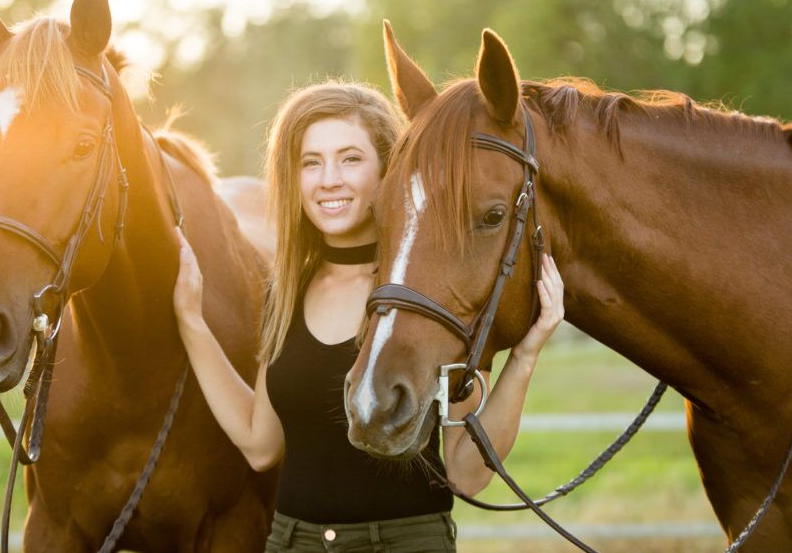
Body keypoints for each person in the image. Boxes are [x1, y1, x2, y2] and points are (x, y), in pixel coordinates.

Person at [173, 82, 564, 552]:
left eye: (350, 159)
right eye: (310, 162)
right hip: (292, 542)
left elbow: (467, 472)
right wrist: (192, 321)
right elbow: (261, 445)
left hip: (404, 543)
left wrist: (525, 356)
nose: (329, 179)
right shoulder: (288, 292)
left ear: (387, 167)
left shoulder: (430, 289)